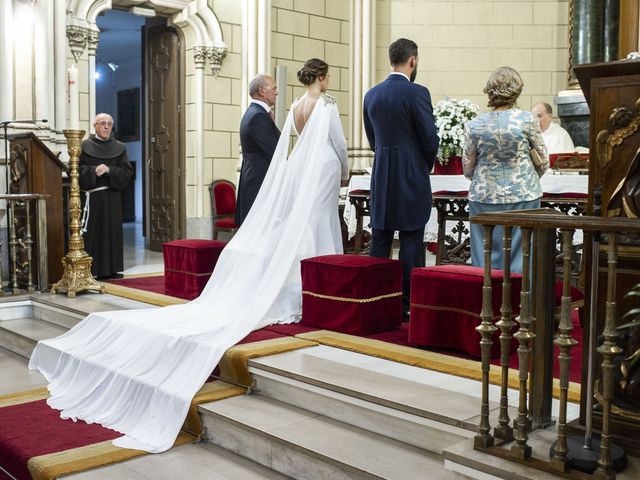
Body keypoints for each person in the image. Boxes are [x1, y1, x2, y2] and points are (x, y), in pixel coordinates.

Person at [28, 58, 349, 454]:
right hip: (315, 175)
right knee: (316, 232)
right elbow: (334, 146)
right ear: (322, 77)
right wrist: (344, 169)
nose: (275, 91)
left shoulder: (295, 107)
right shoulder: (323, 105)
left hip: (297, 178)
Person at [362, 38, 439, 319]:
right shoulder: (417, 93)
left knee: (380, 238)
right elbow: (429, 139)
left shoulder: (371, 95)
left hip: (381, 172)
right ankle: (408, 304)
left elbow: (372, 140)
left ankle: (375, 301)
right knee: (411, 238)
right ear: (413, 61)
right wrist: (423, 164)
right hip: (410, 173)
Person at [463, 66, 549, 274]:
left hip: (484, 197)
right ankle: (521, 301)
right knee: (522, 254)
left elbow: (468, 166)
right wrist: (526, 178)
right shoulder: (527, 120)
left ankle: (486, 301)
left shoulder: (475, 124)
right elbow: (544, 160)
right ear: (517, 90)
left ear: (490, 91)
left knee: (484, 253)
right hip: (523, 195)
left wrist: (484, 178)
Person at [79, 113, 133, 279]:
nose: (107, 126)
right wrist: (93, 170)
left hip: (112, 198)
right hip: (93, 198)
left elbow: (127, 172)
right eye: (103, 123)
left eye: (110, 123)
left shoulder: (119, 147)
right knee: (93, 233)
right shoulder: (84, 145)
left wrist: (110, 169)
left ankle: (112, 269)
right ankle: (91, 269)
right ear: (95, 125)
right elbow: (76, 170)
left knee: (112, 233)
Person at [235, 74, 280, 225]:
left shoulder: (255, 113)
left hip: (256, 179)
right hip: (259, 182)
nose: (277, 92)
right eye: (273, 88)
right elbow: (275, 152)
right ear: (261, 90)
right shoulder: (257, 117)